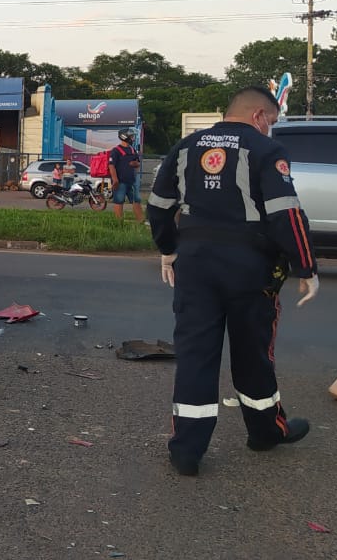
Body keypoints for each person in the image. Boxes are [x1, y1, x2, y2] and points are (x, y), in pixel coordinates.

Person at [146, 87, 320, 477]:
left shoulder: (187, 146)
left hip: (194, 265)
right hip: (249, 267)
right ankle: (264, 432)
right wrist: (305, 266)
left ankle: (187, 451)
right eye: (271, 122)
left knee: (195, 356)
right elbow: (285, 214)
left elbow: (159, 205)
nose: (271, 130)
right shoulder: (265, 150)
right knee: (253, 354)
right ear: (259, 115)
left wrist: (168, 248)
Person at [109, 129, 144, 223]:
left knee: (137, 200)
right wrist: (115, 180)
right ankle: (119, 223)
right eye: (131, 136)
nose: (133, 138)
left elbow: (138, 163)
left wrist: (135, 164)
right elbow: (111, 165)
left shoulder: (132, 150)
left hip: (132, 181)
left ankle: (141, 221)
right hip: (120, 181)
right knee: (119, 201)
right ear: (125, 137)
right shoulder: (116, 150)